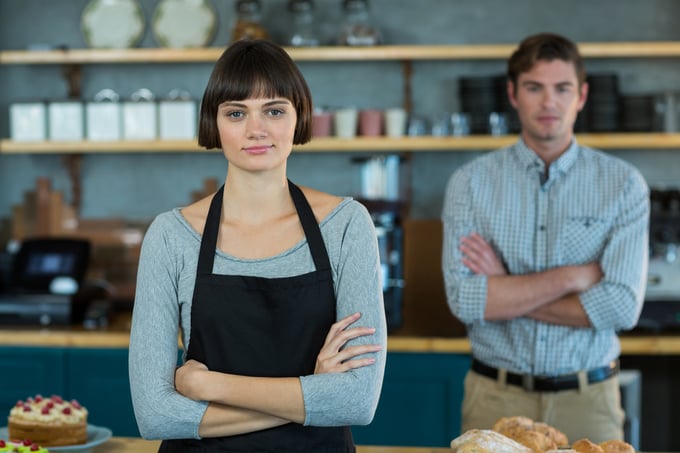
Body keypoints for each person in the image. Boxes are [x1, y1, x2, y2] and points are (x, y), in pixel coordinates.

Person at [128, 39, 387, 452]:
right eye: (236, 112)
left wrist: (208, 385)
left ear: (298, 118)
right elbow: (155, 413)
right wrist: (314, 393)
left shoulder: (345, 225)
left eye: (274, 110)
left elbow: (357, 401)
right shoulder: (171, 235)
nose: (256, 130)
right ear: (214, 124)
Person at [441, 32, 649, 443]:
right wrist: (573, 277)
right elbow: (465, 301)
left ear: (582, 95)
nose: (549, 102)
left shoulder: (624, 185)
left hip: (589, 401)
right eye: (534, 88)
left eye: (562, 88)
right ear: (513, 94)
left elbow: (621, 307)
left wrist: (503, 290)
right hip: (495, 398)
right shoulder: (469, 183)